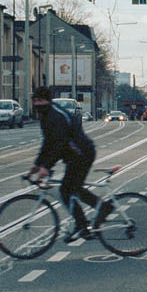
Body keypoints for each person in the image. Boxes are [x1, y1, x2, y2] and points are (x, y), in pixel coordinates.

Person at [26, 86, 103, 240]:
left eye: (39, 100)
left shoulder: (55, 116)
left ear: (47, 101)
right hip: (74, 155)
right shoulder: (47, 115)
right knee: (69, 190)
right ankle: (83, 225)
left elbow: (59, 144)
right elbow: (48, 143)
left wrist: (46, 167)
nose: (36, 103)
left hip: (81, 153)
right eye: (34, 100)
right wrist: (37, 165)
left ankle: (102, 210)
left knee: (70, 190)